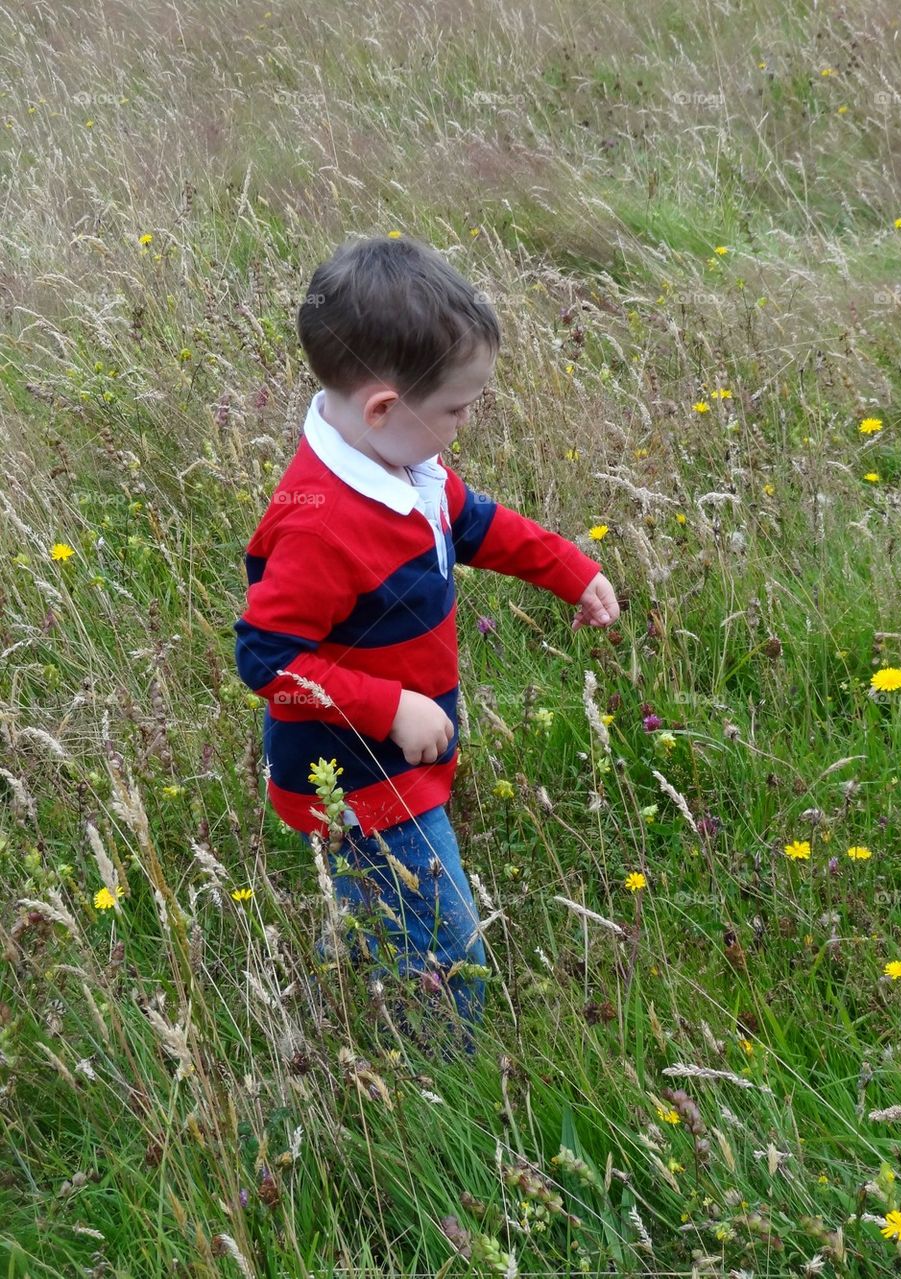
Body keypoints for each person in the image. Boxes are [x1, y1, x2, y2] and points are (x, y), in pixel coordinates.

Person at [234, 233, 620, 1056]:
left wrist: (570, 570)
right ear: (382, 408)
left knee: (390, 909)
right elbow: (265, 658)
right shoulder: (319, 523)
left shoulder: (407, 467)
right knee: (445, 947)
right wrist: (390, 706)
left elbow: (471, 523)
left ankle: (359, 973)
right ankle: (446, 1081)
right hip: (363, 774)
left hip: (405, 751)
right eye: (455, 406)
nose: (466, 421)